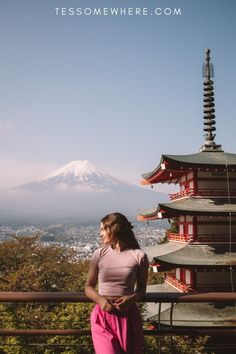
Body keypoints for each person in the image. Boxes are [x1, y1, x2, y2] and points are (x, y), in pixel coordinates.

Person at [85, 212, 149, 354]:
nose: (100, 234)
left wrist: (131, 298)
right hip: (102, 316)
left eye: (103, 229)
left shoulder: (139, 256)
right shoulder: (99, 254)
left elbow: (142, 288)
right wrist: (101, 301)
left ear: (114, 229)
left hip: (127, 316)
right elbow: (88, 287)